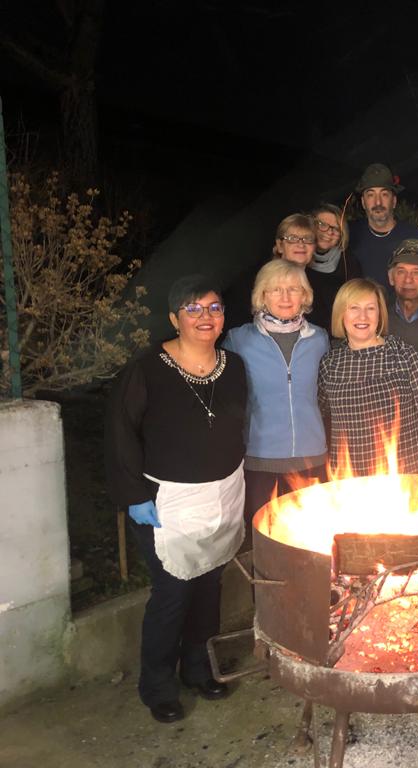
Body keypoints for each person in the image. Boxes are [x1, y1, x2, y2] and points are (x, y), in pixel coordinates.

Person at [105, 275, 247, 723]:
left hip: (223, 492)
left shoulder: (235, 366)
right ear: (174, 318)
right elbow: (119, 435)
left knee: (210, 587)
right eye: (194, 309)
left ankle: (200, 669)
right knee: (172, 593)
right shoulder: (147, 369)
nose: (206, 317)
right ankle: (158, 685)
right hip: (168, 500)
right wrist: (133, 495)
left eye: (214, 308)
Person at [223, 260, 330, 530]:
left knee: (310, 537)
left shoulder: (320, 338)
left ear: (305, 295)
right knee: (265, 538)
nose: (285, 297)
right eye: (275, 289)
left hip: (311, 458)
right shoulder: (239, 340)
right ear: (262, 295)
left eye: (293, 289)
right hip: (260, 460)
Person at [318, 278, 418, 476]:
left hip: (403, 475)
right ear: (341, 313)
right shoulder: (330, 363)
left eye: (370, 308)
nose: (363, 316)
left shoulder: (403, 354)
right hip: (349, 476)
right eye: (354, 308)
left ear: (380, 314)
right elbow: (317, 413)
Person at [225, 213, 318, 330]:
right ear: (279, 245)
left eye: (308, 239)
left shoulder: (322, 286)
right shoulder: (251, 281)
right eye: (292, 238)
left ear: (314, 247)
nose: (301, 244)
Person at [347, 163, 418, 285]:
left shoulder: (413, 235)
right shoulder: (350, 233)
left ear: (393, 201)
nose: (378, 202)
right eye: (371, 195)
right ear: (363, 202)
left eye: (384, 194)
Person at [307, 203, 362, 332]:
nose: (329, 232)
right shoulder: (298, 256)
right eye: (322, 225)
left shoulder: (348, 262)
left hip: (334, 333)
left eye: (336, 229)